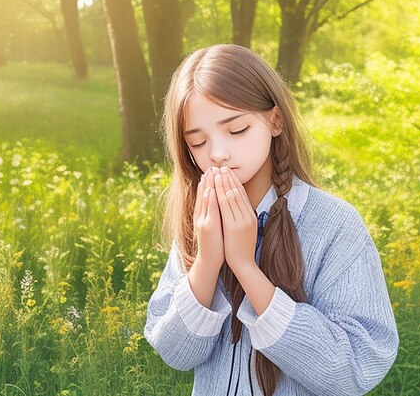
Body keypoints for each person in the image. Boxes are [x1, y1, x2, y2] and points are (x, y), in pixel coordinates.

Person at [144, 44, 399, 396]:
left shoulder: (335, 224)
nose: (217, 153)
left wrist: (246, 268)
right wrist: (207, 261)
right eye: (199, 142)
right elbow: (176, 353)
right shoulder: (200, 220)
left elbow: (352, 370)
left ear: (275, 120)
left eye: (236, 130)